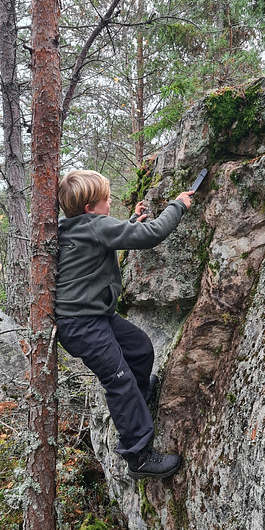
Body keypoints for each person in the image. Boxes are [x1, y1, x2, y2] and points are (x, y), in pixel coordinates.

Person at [55, 169, 193, 479]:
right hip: (83, 325)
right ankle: (139, 457)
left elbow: (102, 241)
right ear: (91, 208)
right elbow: (152, 235)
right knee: (119, 381)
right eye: (106, 200)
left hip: (91, 318)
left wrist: (130, 222)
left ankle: (139, 399)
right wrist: (178, 205)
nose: (109, 203)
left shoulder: (73, 228)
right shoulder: (95, 226)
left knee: (140, 349)